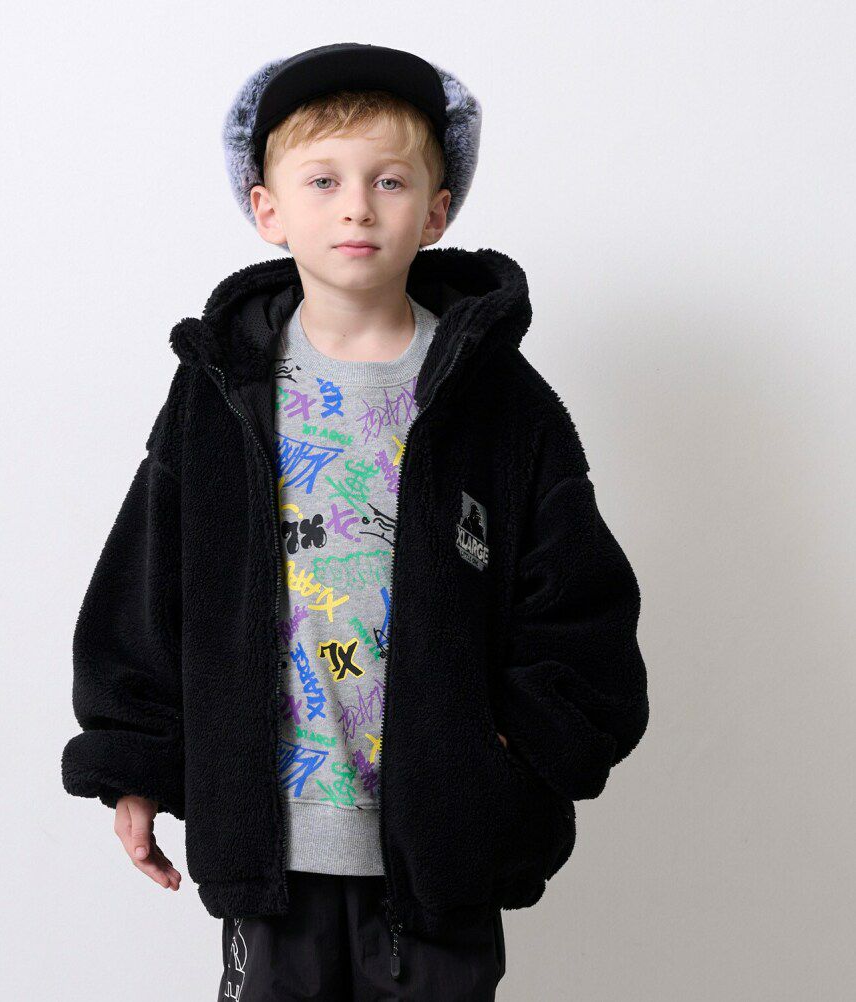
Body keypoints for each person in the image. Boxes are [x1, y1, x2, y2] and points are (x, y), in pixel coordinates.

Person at [61, 42, 650, 1000]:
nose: (357, 208)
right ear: (268, 210)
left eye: (389, 181)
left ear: (437, 211)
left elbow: (581, 605)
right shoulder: (221, 392)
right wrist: (134, 761)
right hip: (273, 839)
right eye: (324, 180)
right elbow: (147, 582)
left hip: (442, 843)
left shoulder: (498, 401)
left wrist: (510, 754)